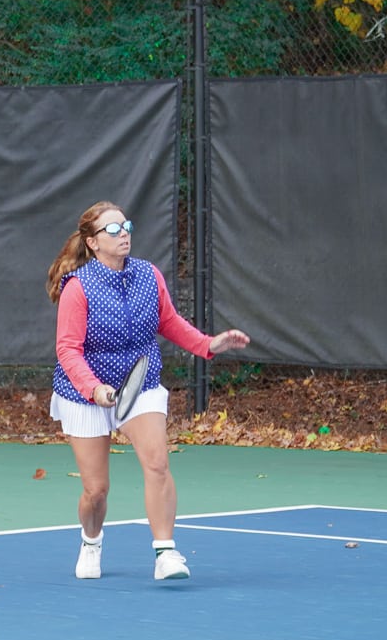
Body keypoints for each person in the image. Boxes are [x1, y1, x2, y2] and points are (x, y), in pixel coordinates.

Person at [45, 201, 249, 582]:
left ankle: (165, 553)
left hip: (140, 384)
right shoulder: (78, 288)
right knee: (96, 491)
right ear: (92, 242)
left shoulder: (148, 275)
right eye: (112, 230)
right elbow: (68, 350)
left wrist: (209, 344)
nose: (123, 234)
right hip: (84, 393)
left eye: (126, 226)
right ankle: (91, 540)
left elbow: (168, 322)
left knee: (157, 463)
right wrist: (94, 389)